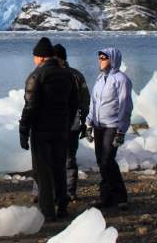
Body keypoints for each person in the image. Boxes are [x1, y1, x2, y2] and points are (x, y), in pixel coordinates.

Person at [19, 37, 78, 220]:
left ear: (40, 57)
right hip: (61, 129)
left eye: (35, 56)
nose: (34, 60)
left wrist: (23, 130)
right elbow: (73, 103)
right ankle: (62, 206)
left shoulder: (36, 76)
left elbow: (30, 106)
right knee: (59, 168)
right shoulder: (67, 75)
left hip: (41, 130)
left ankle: (47, 211)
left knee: (43, 171)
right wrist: (67, 124)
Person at [85, 48, 132, 210]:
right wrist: (89, 123)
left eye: (104, 57)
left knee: (107, 160)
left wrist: (121, 130)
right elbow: (94, 103)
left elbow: (125, 105)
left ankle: (120, 197)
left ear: (112, 59)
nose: (101, 60)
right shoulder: (100, 79)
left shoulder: (121, 80)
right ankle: (107, 197)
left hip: (112, 126)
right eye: (99, 58)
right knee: (101, 161)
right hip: (98, 126)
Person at [53, 44, 91, 202]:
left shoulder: (72, 75)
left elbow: (85, 99)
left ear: (60, 58)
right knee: (64, 158)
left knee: (65, 158)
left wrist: (82, 120)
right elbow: (86, 99)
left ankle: (66, 191)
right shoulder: (76, 75)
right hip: (65, 125)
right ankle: (65, 191)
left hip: (66, 125)